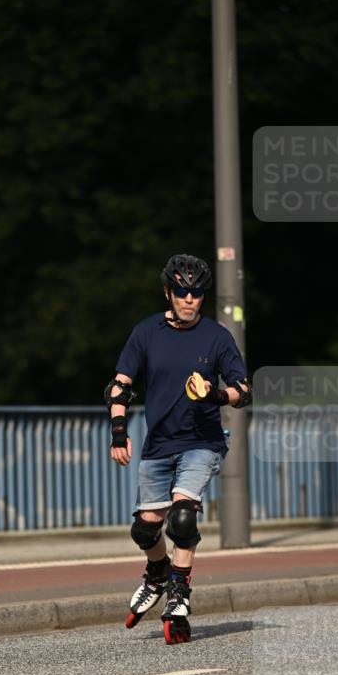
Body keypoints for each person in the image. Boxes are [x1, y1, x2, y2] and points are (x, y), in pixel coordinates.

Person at [104, 253, 251, 644]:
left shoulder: (217, 338)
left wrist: (217, 394)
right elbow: (119, 385)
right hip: (158, 444)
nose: (189, 299)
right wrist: (119, 432)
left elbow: (244, 391)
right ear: (168, 292)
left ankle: (179, 595)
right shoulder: (146, 332)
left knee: (182, 518)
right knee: (144, 529)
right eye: (182, 292)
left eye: (197, 292)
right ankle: (156, 574)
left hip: (202, 442)